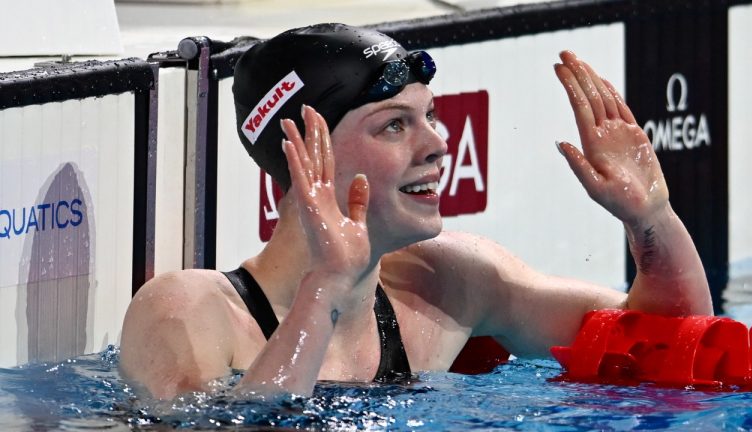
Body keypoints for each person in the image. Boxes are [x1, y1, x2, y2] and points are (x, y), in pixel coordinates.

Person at [119, 23, 713, 399]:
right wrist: (326, 287)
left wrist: (651, 219)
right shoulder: (190, 312)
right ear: (302, 149)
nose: (437, 144)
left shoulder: (448, 281)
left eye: (430, 117)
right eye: (395, 125)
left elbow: (671, 347)